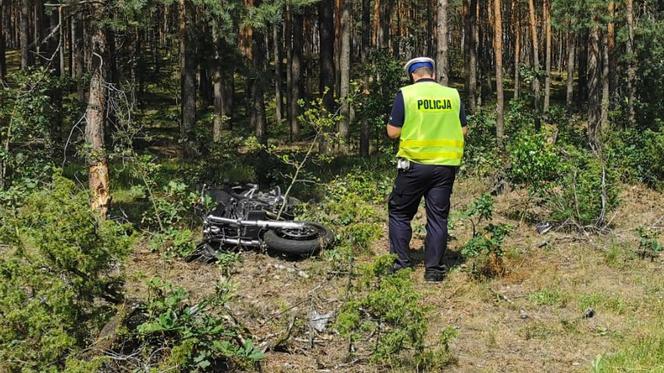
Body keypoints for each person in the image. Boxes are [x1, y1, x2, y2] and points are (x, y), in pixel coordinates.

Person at [386, 57, 468, 282]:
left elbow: (393, 132)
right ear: (432, 73)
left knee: (400, 212)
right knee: (438, 217)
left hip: (414, 164)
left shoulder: (407, 94)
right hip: (445, 167)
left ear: (413, 75)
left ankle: (401, 264)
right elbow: (463, 130)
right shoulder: (452, 95)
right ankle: (434, 271)